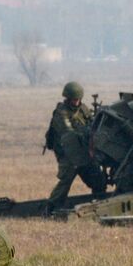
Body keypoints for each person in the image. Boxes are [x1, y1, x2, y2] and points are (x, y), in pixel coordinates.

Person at [45, 81, 107, 211]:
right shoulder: (61, 112)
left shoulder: (83, 108)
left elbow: (92, 124)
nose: (76, 102)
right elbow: (69, 134)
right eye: (73, 99)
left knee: (98, 180)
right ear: (67, 98)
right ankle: (50, 208)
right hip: (68, 154)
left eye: (78, 99)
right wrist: (86, 131)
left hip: (83, 152)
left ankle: (98, 205)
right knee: (65, 181)